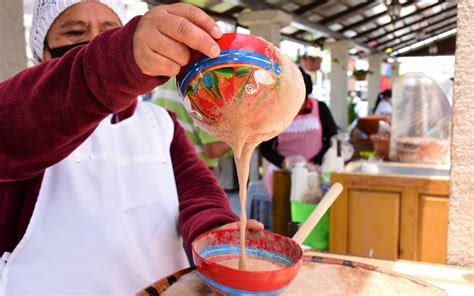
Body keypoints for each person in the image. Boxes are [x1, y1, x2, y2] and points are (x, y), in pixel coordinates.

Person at [0, 1, 263, 295]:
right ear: (43, 53)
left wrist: (215, 232)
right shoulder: (24, 113)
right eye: (75, 32)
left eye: (109, 30)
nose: (95, 41)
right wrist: (116, 60)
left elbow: (197, 193)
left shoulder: (159, 122)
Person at [260, 67, 338, 195]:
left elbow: (331, 139)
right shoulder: (275, 112)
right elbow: (265, 147)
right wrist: (283, 162)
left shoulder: (320, 108)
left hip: (314, 172)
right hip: (282, 175)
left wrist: (315, 161)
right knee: (283, 212)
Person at [152, 77, 231, 170]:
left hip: (163, 167)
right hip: (193, 173)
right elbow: (213, 150)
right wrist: (245, 137)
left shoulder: (168, 79)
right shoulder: (203, 84)